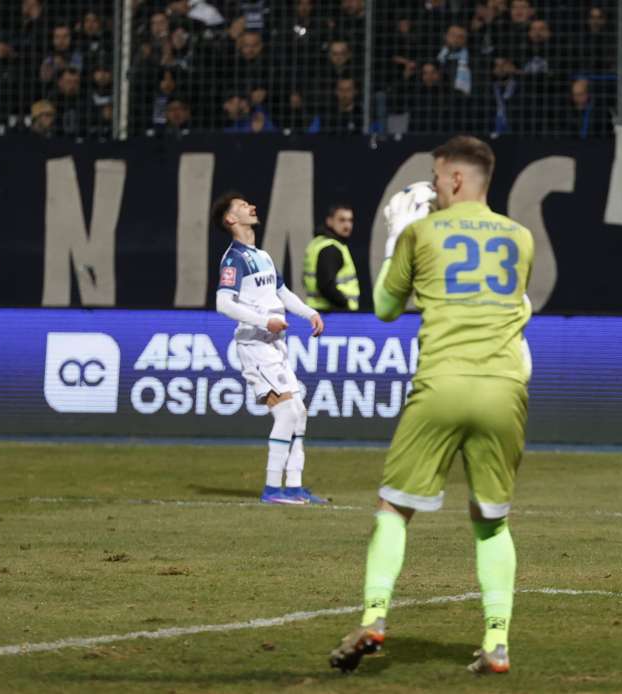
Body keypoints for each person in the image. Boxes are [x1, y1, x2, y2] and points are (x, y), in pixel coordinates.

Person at [329, 135, 534, 675]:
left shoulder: (422, 232)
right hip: (505, 386)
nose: (435, 187)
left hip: (443, 382)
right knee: (492, 524)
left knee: (394, 509)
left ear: (457, 178)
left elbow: (384, 308)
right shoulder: (521, 237)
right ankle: (497, 641)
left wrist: (397, 238)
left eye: (438, 177)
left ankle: (374, 615)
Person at [210, 192, 328, 506]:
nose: (251, 206)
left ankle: (294, 486)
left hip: (275, 345)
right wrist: (265, 321)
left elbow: (282, 292)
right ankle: (272, 489)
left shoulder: (262, 255)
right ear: (230, 219)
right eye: (242, 205)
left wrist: (309, 313)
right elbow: (223, 303)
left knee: (298, 412)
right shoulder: (233, 259)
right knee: (286, 412)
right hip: (255, 345)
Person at [303, 203, 359, 311]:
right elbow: (325, 286)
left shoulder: (318, 243)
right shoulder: (331, 249)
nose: (347, 225)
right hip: (332, 314)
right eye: (342, 220)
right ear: (329, 221)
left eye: (350, 220)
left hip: (320, 311)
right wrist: (345, 305)